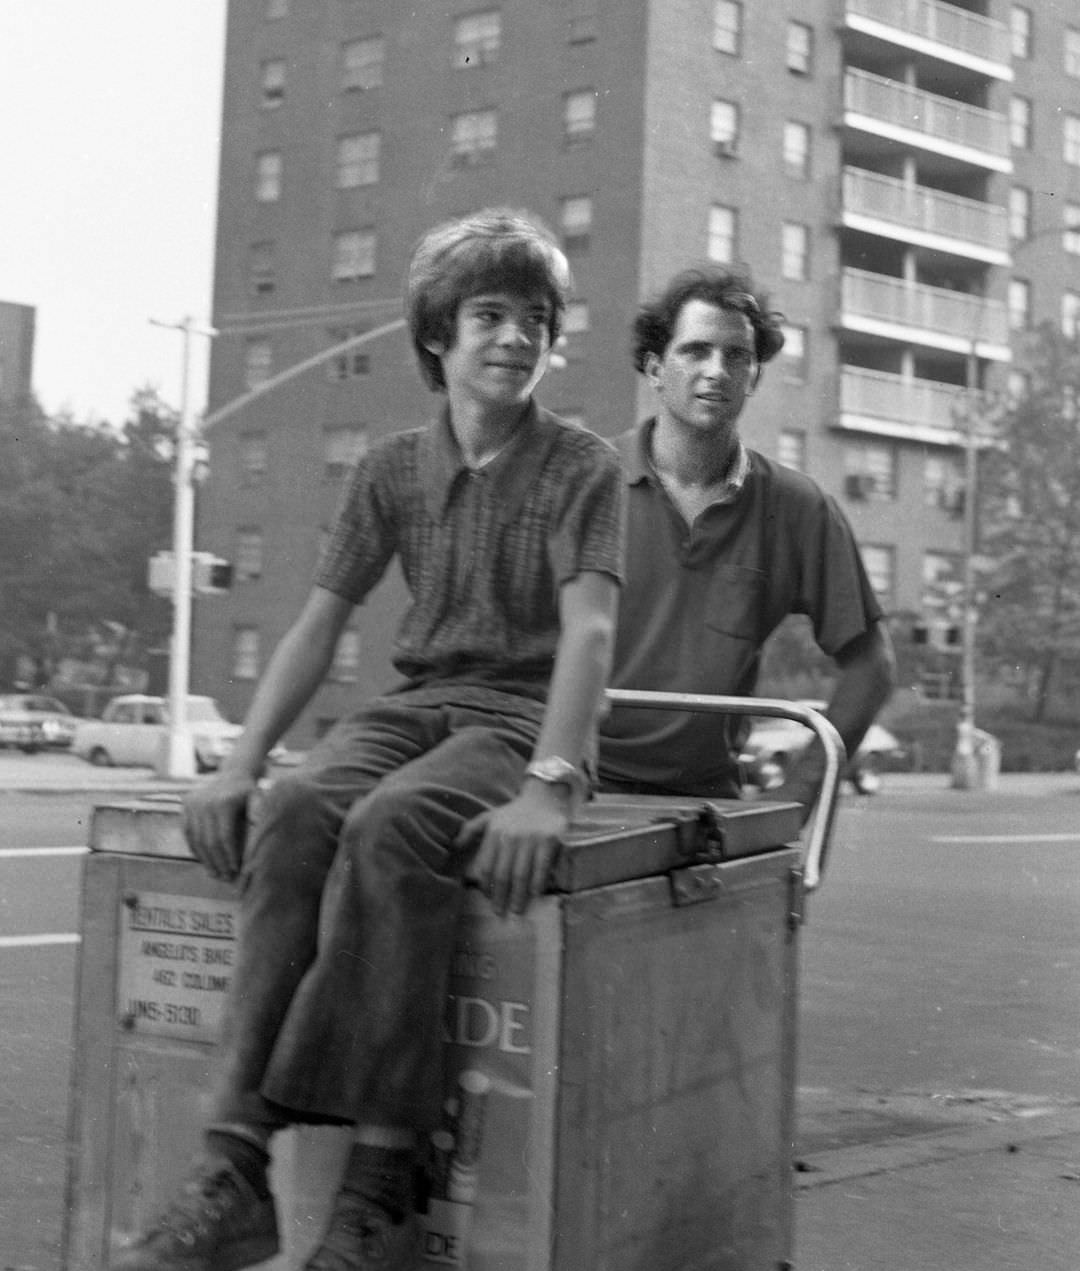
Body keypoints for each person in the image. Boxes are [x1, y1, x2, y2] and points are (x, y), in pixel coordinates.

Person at [112, 209, 624, 1271]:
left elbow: (590, 626)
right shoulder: (393, 466)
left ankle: (378, 1184)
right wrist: (241, 764)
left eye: (536, 318)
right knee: (297, 810)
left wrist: (549, 785)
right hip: (417, 703)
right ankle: (235, 1167)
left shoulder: (582, 463)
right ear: (437, 333)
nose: (516, 338)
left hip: (522, 720)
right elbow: (318, 620)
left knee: (393, 827)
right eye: (489, 315)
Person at [598, 264, 894, 813]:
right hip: (576, 783)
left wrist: (801, 791)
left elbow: (872, 666)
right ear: (655, 368)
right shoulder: (586, 482)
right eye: (695, 351)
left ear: (754, 377)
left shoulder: (798, 507)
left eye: (736, 356)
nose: (717, 370)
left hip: (707, 803)